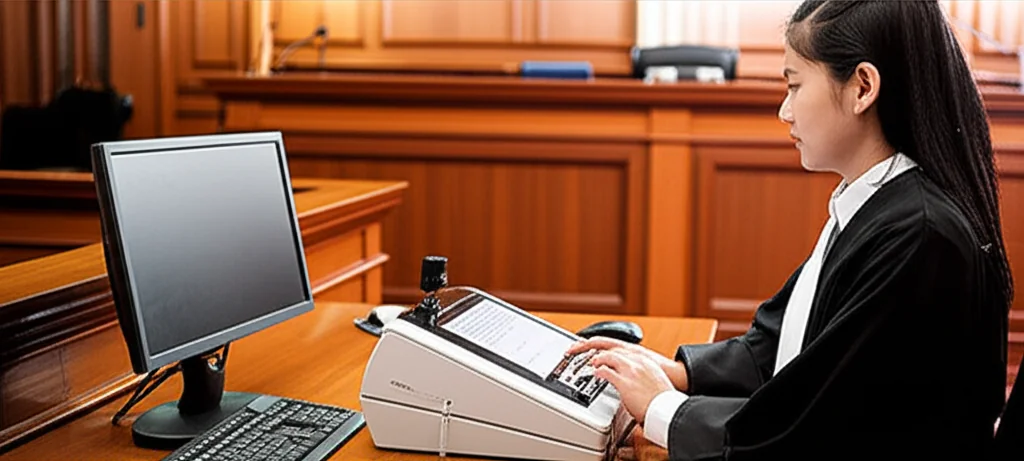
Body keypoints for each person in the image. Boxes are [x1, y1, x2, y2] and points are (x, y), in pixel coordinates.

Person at [568, 1, 1013, 459]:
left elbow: (811, 432)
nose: (784, 111)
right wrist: (676, 373)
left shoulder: (918, 237)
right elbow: (785, 346)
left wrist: (663, 408)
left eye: (794, 85)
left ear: (863, 87)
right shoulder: (875, 202)